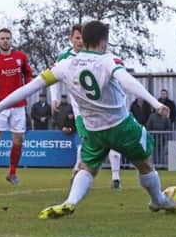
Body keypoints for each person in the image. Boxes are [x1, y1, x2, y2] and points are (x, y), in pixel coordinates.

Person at [0, 20, 176, 218]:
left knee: (87, 167)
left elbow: (30, 87)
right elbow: (127, 81)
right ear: (103, 42)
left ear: (82, 40)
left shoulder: (65, 64)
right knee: (145, 162)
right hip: (121, 126)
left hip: (93, 130)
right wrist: (155, 103)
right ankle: (157, 199)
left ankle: (70, 201)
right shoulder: (107, 60)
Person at [50, 24, 123, 191]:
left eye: (82, 37)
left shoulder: (100, 56)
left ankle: (115, 177)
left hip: (103, 107)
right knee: (88, 140)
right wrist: (55, 98)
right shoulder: (65, 58)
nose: (80, 41)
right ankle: (79, 170)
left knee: (110, 140)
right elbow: (52, 77)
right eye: (77, 38)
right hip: (80, 110)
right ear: (71, 39)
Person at [0, 27, 33, 185]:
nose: (5, 41)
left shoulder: (20, 57)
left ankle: (12, 173)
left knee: (18, 140)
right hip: (0, 106)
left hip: (18, 106)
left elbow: (28, 74)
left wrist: (28, 87)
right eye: (2, 38)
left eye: (8, 38)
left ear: (11, 39)